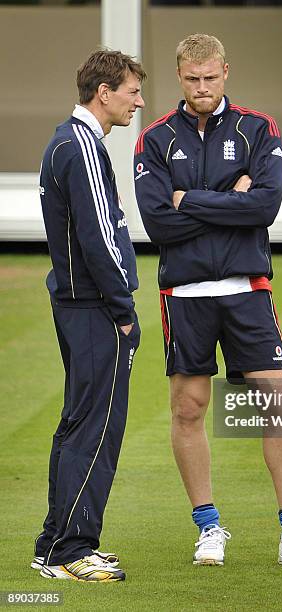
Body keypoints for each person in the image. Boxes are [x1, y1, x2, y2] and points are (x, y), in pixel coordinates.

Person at [134, 33, 282, 567]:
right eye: (192, 79)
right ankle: (208, 527)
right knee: (189, 408)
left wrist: (191, 200)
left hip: (248, 289)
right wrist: (232, 197)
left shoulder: (258, 128)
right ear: (180, 77)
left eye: (211, 77)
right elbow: (158, 222)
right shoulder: (154, 138)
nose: (202, 88)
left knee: (277, 402)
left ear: (227, 71)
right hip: (185, 292)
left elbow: (265, 208)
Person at [34, 49, 145, 582]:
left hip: (75, 304)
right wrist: (124, 309)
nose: (138, 102)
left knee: (77, 425)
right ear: (104, 92)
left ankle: (53, 543)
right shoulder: (81, 147)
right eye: (132, 91)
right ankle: (72, 550)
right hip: (95, 310)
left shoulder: (64, 141)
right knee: (95, 429)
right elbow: (101, 238)